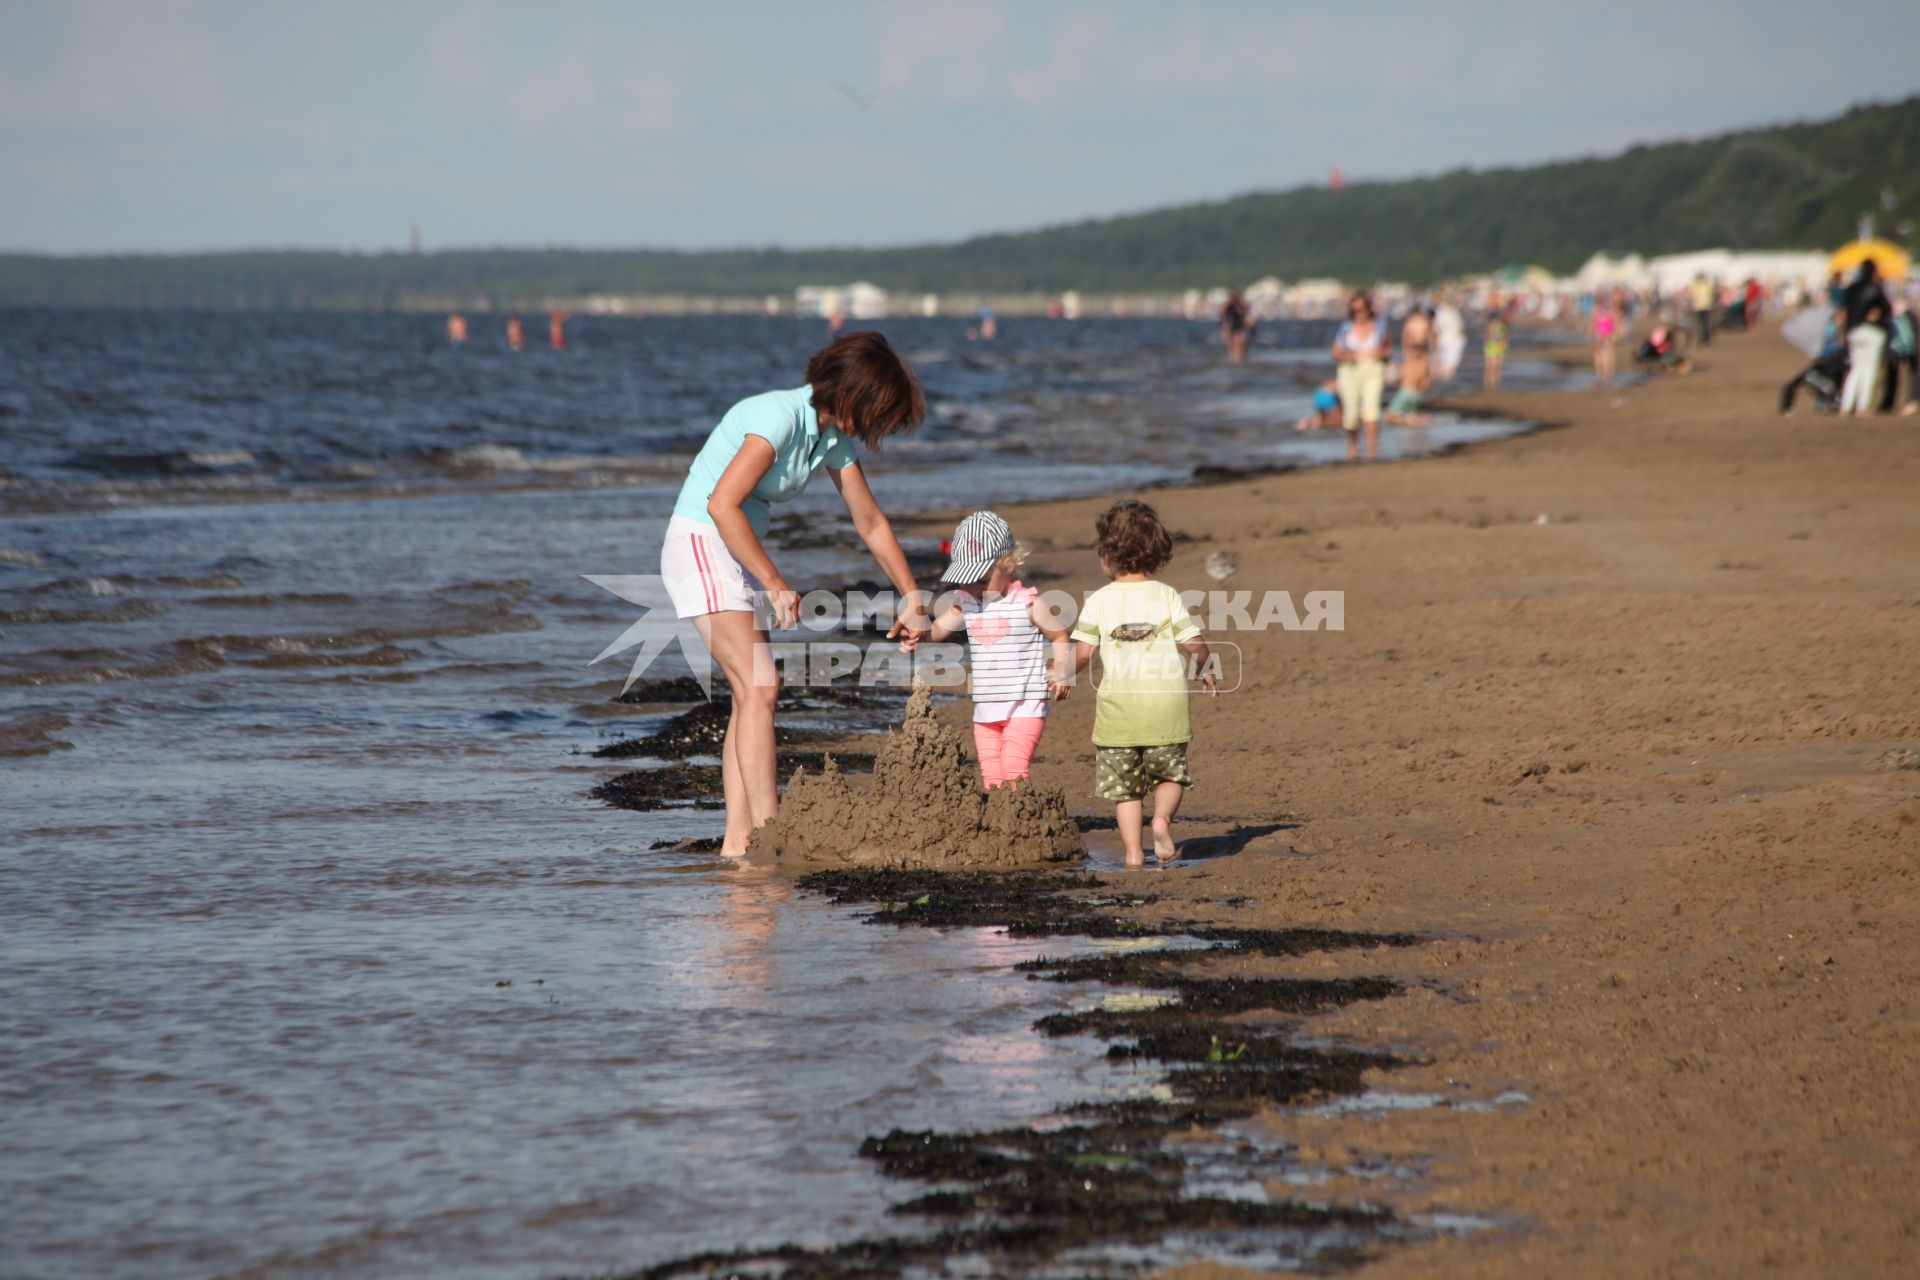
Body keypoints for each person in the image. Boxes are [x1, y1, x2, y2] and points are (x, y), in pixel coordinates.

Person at [659, 331, 929, 857]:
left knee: (751, 692)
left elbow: (869, 521)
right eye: (878, 411)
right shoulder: (778, 418)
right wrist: (776, 583)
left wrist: (912, 594)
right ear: (851, 393)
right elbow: (721, 505)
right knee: (761, 686)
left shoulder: (829, 439)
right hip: (701, 542)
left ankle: (740, 843)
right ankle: (771, 834)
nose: (878, 426)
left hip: (735, 551)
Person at [1070, 500, 1214, 865]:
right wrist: (1205, 666)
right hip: (1166, 707)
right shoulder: (1167, 595)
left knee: (1126, 791)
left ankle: (1134, 855)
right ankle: (1162, 820)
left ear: (1107, 554)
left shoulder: (1099, 601)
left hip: (1119, 713)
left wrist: (1059, 672)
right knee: (1170, 776)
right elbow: (1193, 643)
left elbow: (1083, 654)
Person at [923, 511, 1073, 790]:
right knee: (992, 779)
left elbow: (1060, 636)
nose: (972, 587)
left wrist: (1061, 672)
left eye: (981, 579)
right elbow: (935, 633)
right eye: (965, 578)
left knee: (1014, 769)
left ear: (1010, 564)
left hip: (1025, 705)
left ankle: (1021, 825)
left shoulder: (1026, 603)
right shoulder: (965, 601)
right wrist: (917, 635)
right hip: (985, 709)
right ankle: (1001, 829)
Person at [1332, 293, 1390, 461]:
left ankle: (1372, 448)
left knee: (1371, 408)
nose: (1359, 313)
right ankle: (1353, 444)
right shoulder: (1345, 328)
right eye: (1355, 310)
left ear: (1369, 309)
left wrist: (1379, 354)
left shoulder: (1380, 326)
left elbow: (1388, 350)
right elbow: (1335, 352)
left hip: (1374, 369)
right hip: (1349, 370)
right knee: (1351, 413)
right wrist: (1351, 355)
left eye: (1362, 309)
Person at [1839, 303, 1888, 415]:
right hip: (1869, 346)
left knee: (1855, 374)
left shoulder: (1855, 329)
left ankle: (1846, 407)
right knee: (1866, 375)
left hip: (1858, 342)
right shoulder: (1878, 332)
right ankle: (1861, 406)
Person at [1433, 294, 1467, 383]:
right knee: (1450, 362)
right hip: (1453, 339)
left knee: (1444, 361)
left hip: (1444, 338)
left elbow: (1436, 327)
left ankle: (1443, 381)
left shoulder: (1441, 312)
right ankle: (1446, 381)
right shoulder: (1452, 312)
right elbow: (1460, 327)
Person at [1399, 305, 1433, 394]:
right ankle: (1413, 388)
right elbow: (1405, 336)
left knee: (1422, 368)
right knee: (1415, 368)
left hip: (1420, 346)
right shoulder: (1415, 322)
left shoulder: (1418, 322)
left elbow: (1430, 335)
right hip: (1415, 346)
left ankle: (1418, 388)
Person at [1219, 291, 1254, 364]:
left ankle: (1237, 359)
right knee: (1234, 345)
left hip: (1238, 328)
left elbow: (1246, 318)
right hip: (1233, 328)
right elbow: (1224, 317)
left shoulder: (1240, 306)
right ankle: (1235, 359)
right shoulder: (1230, 306)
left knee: (1237, 345)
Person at [1592, 294, 1619, 388]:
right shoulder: (1607, 310)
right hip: (1604, 333)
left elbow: (1615, 321)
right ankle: (1604, 374)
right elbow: (1615, 321)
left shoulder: (1598, 310)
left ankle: (1605, 374)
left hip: (1604, 333)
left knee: (1605, 354)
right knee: (1604, 354)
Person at [1482, 308, 1510, 390]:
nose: (1496, 322)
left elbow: (1506, 338)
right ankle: (1488, 383)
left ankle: (1495, 383)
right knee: (1490, 367)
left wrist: (1504, 343)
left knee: (1496, 367)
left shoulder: (1503, 327)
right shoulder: (1490, 328)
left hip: (1498, 348)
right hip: (1491, 348)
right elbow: (1487, 338)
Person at [1690, 274, 1715, 347]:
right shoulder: (1707, 285)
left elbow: (1693, 296)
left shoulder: (1696, 285)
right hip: (1706, 306)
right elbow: (1711, 294)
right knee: (1705, 323)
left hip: (1699, 307)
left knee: (1700, 324)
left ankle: (1701, 339)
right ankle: (1705, 339)